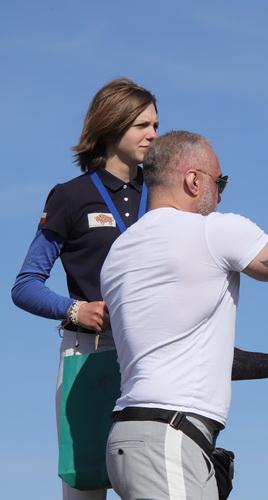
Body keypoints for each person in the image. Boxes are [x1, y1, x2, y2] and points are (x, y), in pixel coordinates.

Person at [100, 130, 268, 500]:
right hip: (170, 438)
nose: (220, 195)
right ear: (193, 180)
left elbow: (185, 353)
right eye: (220, 182)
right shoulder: (210, 231)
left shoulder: (120, 252)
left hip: (131, 439)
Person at [10, 78, 158, 500]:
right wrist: (76, 310)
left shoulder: (163, 193)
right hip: (88, 353)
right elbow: (25, 285)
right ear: (111, 127)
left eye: (155, 125)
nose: (153, 135)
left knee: (150, 487)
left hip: (151, 357)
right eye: (142, 125)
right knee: (84, 486)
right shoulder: (70, 197)